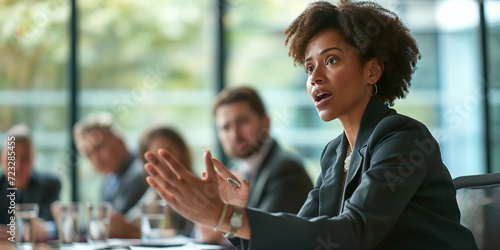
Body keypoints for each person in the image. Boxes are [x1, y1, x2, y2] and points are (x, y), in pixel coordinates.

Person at [143, 1, 478, 249]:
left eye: (331, 60)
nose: (315, 77)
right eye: (309, 67)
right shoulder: (335, 153)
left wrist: (224, 217)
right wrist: (234, 216)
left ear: (372, 71)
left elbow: (353, 234)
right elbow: (308, 236)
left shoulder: (402, 138)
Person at [195, 87, 313, 245]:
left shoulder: (286, 170)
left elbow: (263, 236)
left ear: (266, 122)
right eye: (225, 127)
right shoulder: (243, 171)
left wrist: (216, 217)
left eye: (242, 122)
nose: (234, 134)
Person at [109, 125, 195, 238]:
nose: (160, 162)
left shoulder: (197, 189)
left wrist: (135, 232)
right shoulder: (155, 192)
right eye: (152, 158)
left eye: (166, 153)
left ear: (183, 152)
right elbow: (135, 220)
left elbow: (196, 235)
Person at [73, 113, 148, 215]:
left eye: (99, 148)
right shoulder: (109, 179)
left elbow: (118, 222)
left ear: (120, 141)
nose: (96, 159)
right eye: (88, 154)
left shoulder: (141, 172)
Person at [0, 124, 61, 242]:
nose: (16, 166)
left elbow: (56, 224)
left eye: (24, 158)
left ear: (33, 159)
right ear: (1, 158)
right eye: (11, 157)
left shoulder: (49, 186)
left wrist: (47, 230)